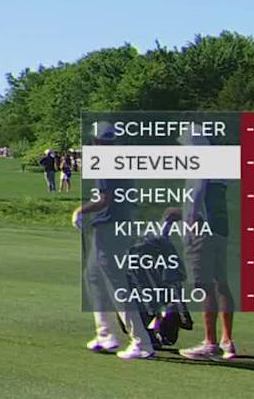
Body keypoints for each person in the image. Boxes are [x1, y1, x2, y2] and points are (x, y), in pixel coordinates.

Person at [75, 122, 156, 360]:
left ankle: (141, 341)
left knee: (115, 283)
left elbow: (104, 200)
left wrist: (80, 210)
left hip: (109, 227)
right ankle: (105, 334)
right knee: (93, 277)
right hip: (118, 224)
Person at [167, 132, 235, 361]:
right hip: (220, 229)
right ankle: (227, 340)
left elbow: (195, 198)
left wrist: (186, 228)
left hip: (201, 231)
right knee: (220, 283)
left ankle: (210, 342)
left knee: (204, 285)